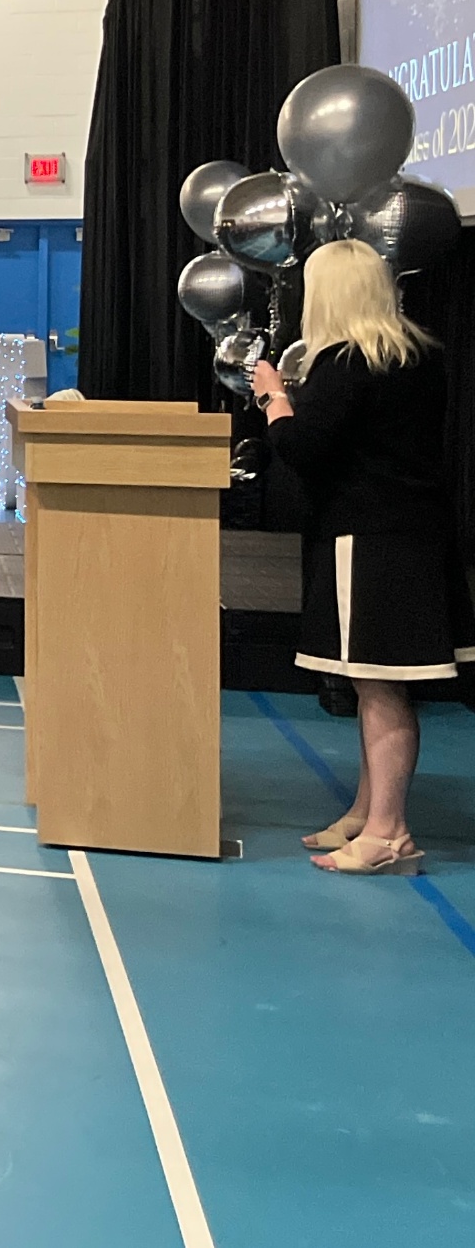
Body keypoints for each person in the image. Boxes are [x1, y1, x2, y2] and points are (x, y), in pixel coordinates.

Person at [252, 240, 474, 875]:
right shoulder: (414, 355)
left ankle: (387, 830)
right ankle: (365, 810)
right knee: (371, 681)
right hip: (414, 532)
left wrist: (274, 395)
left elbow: (303, 448)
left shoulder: (346, 362)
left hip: (369, 540)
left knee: (380, 685)